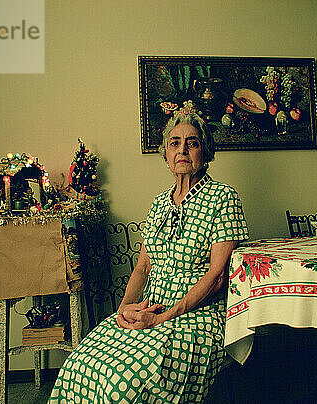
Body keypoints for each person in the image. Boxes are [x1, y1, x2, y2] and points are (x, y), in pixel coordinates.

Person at [49, 113, 248, 403]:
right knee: (79, 364)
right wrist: (124, 311)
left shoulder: (223, 197)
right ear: (165, 154)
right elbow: (143, 267)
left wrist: (166, 317)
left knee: (123, 381)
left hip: (198, 315)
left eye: (191, 143)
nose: (182, 150)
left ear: (204, 151)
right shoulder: (158, 204)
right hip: (150, 308)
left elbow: (218, 275)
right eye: (174, 143)